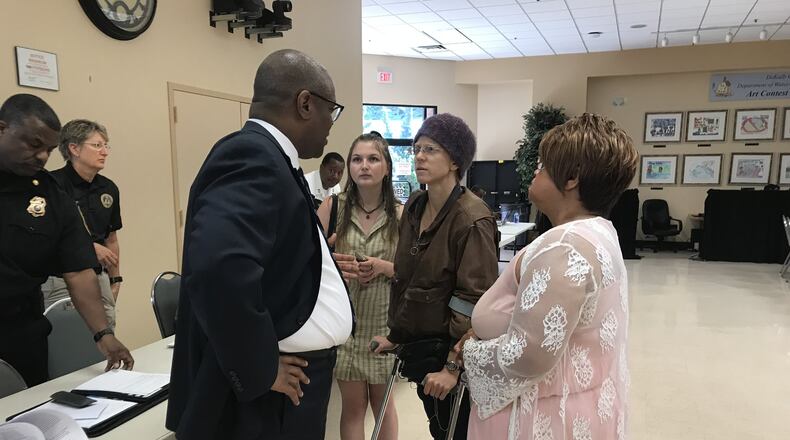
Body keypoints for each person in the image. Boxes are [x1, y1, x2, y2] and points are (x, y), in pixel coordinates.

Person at [166, 49, 358, 440]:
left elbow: (266, 257)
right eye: (331, 111)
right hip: (269, 389)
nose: (330, 125)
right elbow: (218, 269)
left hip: (293, 378)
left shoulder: (273, 159)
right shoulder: (252, 155)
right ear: (305, 103)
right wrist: (261, 366)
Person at [457, 113, 638, 439]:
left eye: (541, 165)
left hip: (541, 414)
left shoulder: (565, 246)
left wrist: (469, 353)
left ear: (571, 179)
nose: (533, 172)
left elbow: (529, 355)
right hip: (575, 400)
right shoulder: (598, 231)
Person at [372, 113, 499, 440]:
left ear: (455, 160)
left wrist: (453, 365)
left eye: (431, 149)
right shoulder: (415, 204)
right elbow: (408, 279)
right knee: (437, 427)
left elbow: (473, 300)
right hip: (420, 347)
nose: (419, 156)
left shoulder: (473, 219)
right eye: (417, 149)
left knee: (454, 432)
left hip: (450, 353)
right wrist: (398, 335)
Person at [0, 94, 133, 386]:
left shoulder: (50, 193)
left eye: (48, 149)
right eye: (34, 145)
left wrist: (103, 334)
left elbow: (78, 268)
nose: (42, 157)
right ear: (2, 129)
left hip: (21, 329)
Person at [317, 134, 402, 440]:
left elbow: (413, 275)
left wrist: (384, 267)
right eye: (357, 159)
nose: (364, 166)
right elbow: (307, 261)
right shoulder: (333, 207)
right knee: (353, 408)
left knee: (383, 404)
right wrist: (332, 263)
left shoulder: (401, 214)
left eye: (373, 159)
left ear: (387, 167)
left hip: (383, 324)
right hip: (344, 326)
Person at [41, 120, 122, 329]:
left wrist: (115, 280)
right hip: (61, 280)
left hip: (99, 277)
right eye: (97, 145)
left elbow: (111, 238)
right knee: (66, 346)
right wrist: (89, 247)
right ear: (74, 148)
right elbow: (45, 237)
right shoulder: (51, 185)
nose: (104, 152)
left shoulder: (108, 188)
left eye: (106, 145)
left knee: (106, 342)